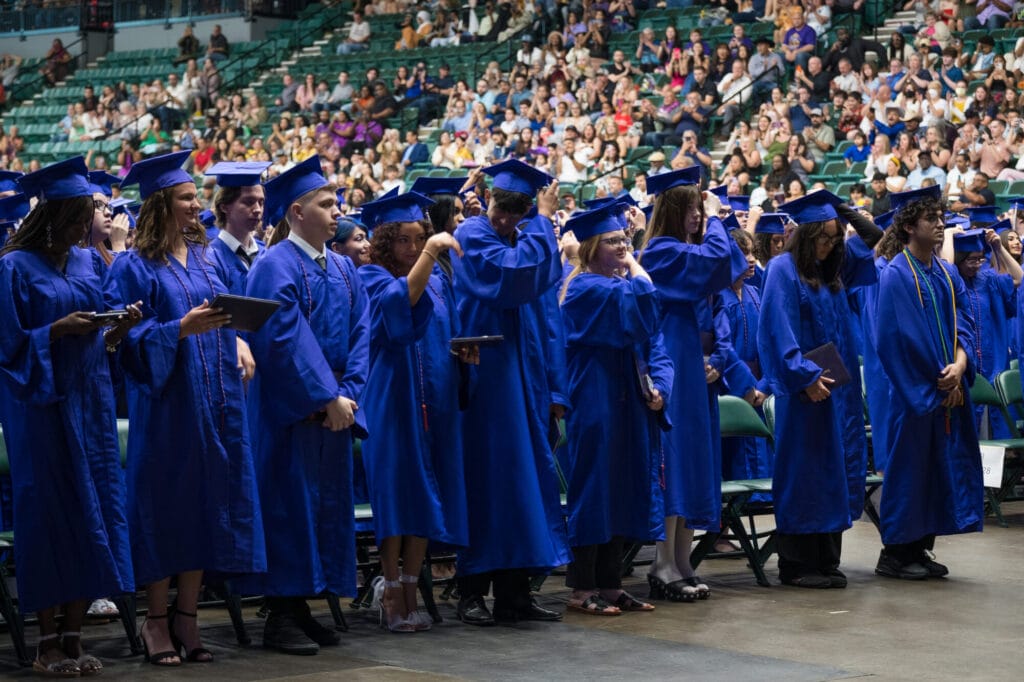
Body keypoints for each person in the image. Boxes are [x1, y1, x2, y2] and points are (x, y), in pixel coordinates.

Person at [105, 150, 265, 665]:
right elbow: (122, 340)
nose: (198, 205)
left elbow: (225, 310)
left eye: (196, 196)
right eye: (187, 197)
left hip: (219, 401)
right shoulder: (133, 267)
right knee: (164, 509)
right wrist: (177, 329)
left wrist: (239, 338)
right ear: (159, 204)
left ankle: (188, 617)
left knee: (206, 506)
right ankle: (155, 620)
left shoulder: (208, 257)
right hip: (170, 406)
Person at [0, 159, 139, 677]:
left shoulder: (86, 263)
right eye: (79, 218)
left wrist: (119, 327)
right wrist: (53, 331)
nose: (88, 228)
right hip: (40, 408)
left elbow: (102, 339)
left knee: (94, 512)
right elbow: (7, 347)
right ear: (55, 215)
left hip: (92, 403)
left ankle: (75, 638)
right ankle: (46, 644)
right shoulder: (13, 267)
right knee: (50, 518)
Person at [233, 155, 369, 655]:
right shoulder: (274, 266)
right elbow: (281, 339)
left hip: (332, 411)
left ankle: (302, 606)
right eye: (327, 204)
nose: (338, 213)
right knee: (289, 510)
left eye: (337, 204)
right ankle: (281, 615)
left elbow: (362, 334)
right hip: (288, 412)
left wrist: (349, 394)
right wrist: (324, 396)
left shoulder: (342, 268)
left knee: (323, 511)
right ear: (296, 212)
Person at [450, 159, 569, 626]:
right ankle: (472, 591)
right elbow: (512, 281)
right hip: (489, 383)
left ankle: (516, 593)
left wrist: (556, 389)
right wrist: (540, 220)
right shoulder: (476, 237)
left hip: (529, 382)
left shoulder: (527, 240)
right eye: (502, 209)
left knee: (527, 486)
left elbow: (550, 323)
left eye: (517, 212)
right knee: (489, 483)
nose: (505, 220)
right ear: (490, 200)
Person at [357, 190, 471, 631]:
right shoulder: (370, 277)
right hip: (390, 396)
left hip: (432, 396)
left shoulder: (438, 281)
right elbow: (399, 304)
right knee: (395, 491)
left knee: (425, 491)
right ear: (386, 243)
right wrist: (430, 251)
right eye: (403, 240)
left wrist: (464, 354)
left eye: (417, 238)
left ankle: (409, 584)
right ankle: (390, 588)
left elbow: (443, 328)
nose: (411, 247)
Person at [758, 190, 881, 588]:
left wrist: (842, 211)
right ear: (806, 235)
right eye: (823, 238)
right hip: (806, 392)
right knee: (807, 472)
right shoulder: (782, 269)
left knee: (839, 472)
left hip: (838, 393)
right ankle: (796, 565)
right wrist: (803, 376)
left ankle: (826, 560)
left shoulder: (835, 274)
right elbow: (779, 329)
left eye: (834, 238)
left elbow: (874, 240)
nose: (829, 246)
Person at [639, 166, 746, 601]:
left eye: (700, 211)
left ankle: (682, 560)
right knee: (674, 463)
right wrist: (719, 216)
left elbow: (726, 271)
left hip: (695, 365)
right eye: (692, 210)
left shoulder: (683, 249)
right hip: (673, 361)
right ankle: (662, 564)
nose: (699, 218)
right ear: (671, 212)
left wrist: (718, 358)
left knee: (696, 463)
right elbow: (717, 259)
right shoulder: (660, 252)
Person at [558, 203, 670, 617]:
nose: (622, 247)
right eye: (613, 241)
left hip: (625, 395)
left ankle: (610, 584)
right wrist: (638, 261)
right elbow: (644, 302)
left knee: (621, 487)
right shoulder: (585, 287)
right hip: (594, 394)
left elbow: (650, 328)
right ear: (590, 248)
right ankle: (580, 586)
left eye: (624, 239)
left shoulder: (613, 285)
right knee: (595, 489)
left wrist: (660, 388)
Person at [873, 195, 984, 580]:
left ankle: (920, 547)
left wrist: (960, 365)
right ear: (908, 226)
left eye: (940, 218)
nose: (940, 225)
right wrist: (940, 382)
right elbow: (897, 338)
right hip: (914, 395)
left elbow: (965, 324)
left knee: (937, 469)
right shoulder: (895, 274)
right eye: (930, 219)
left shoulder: (945, 271)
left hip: (947, 388)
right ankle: (895, 553)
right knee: (909, 471)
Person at [202, 161, 271, 295]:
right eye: (248, 202)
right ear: (224, 206)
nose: (258, 209)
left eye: (261, 202)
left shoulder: (266, 252)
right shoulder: (209, 258)